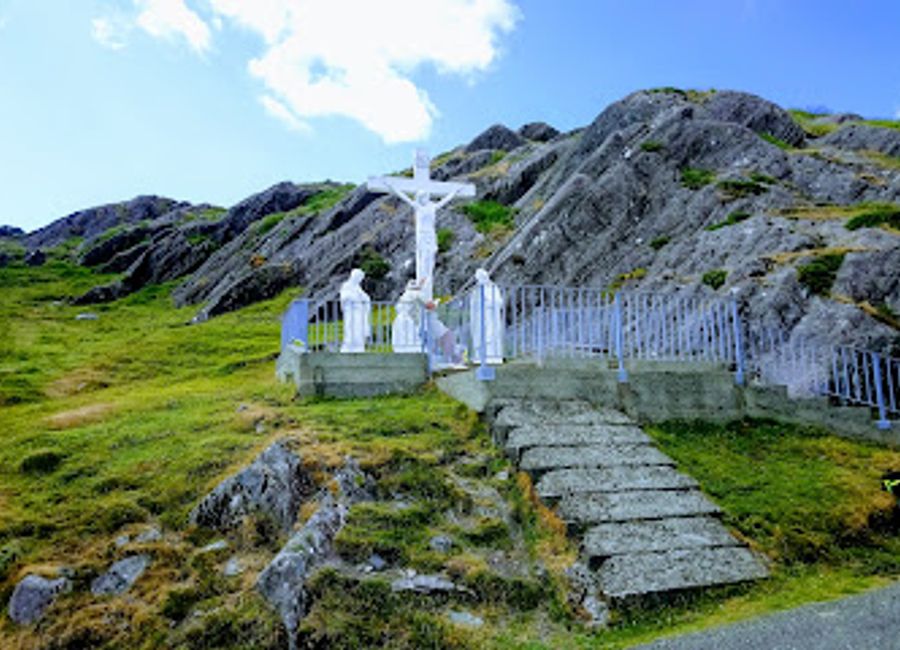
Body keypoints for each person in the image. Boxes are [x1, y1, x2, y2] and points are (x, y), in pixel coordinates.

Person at [470, 268, 504, 363]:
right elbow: (473, 304)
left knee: (491, 334)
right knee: (480, 334)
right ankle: (479, 355)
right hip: (479, 317)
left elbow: (499, 302)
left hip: (490, 315)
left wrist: (489, 304)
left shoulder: (493, 288)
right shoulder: (476, 290)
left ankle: (492, 355)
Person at [339, 268, 371, 353]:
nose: (360, 280)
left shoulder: (357, 287)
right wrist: (354, 299)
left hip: (359, 312)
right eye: (359, 278)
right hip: (351, 312)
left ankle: (358, 345)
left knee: (358, 328)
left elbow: (365, 297)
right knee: (350, 328)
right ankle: (350, 345)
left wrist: (365, 300)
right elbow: (344, 297)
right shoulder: (346, 285)